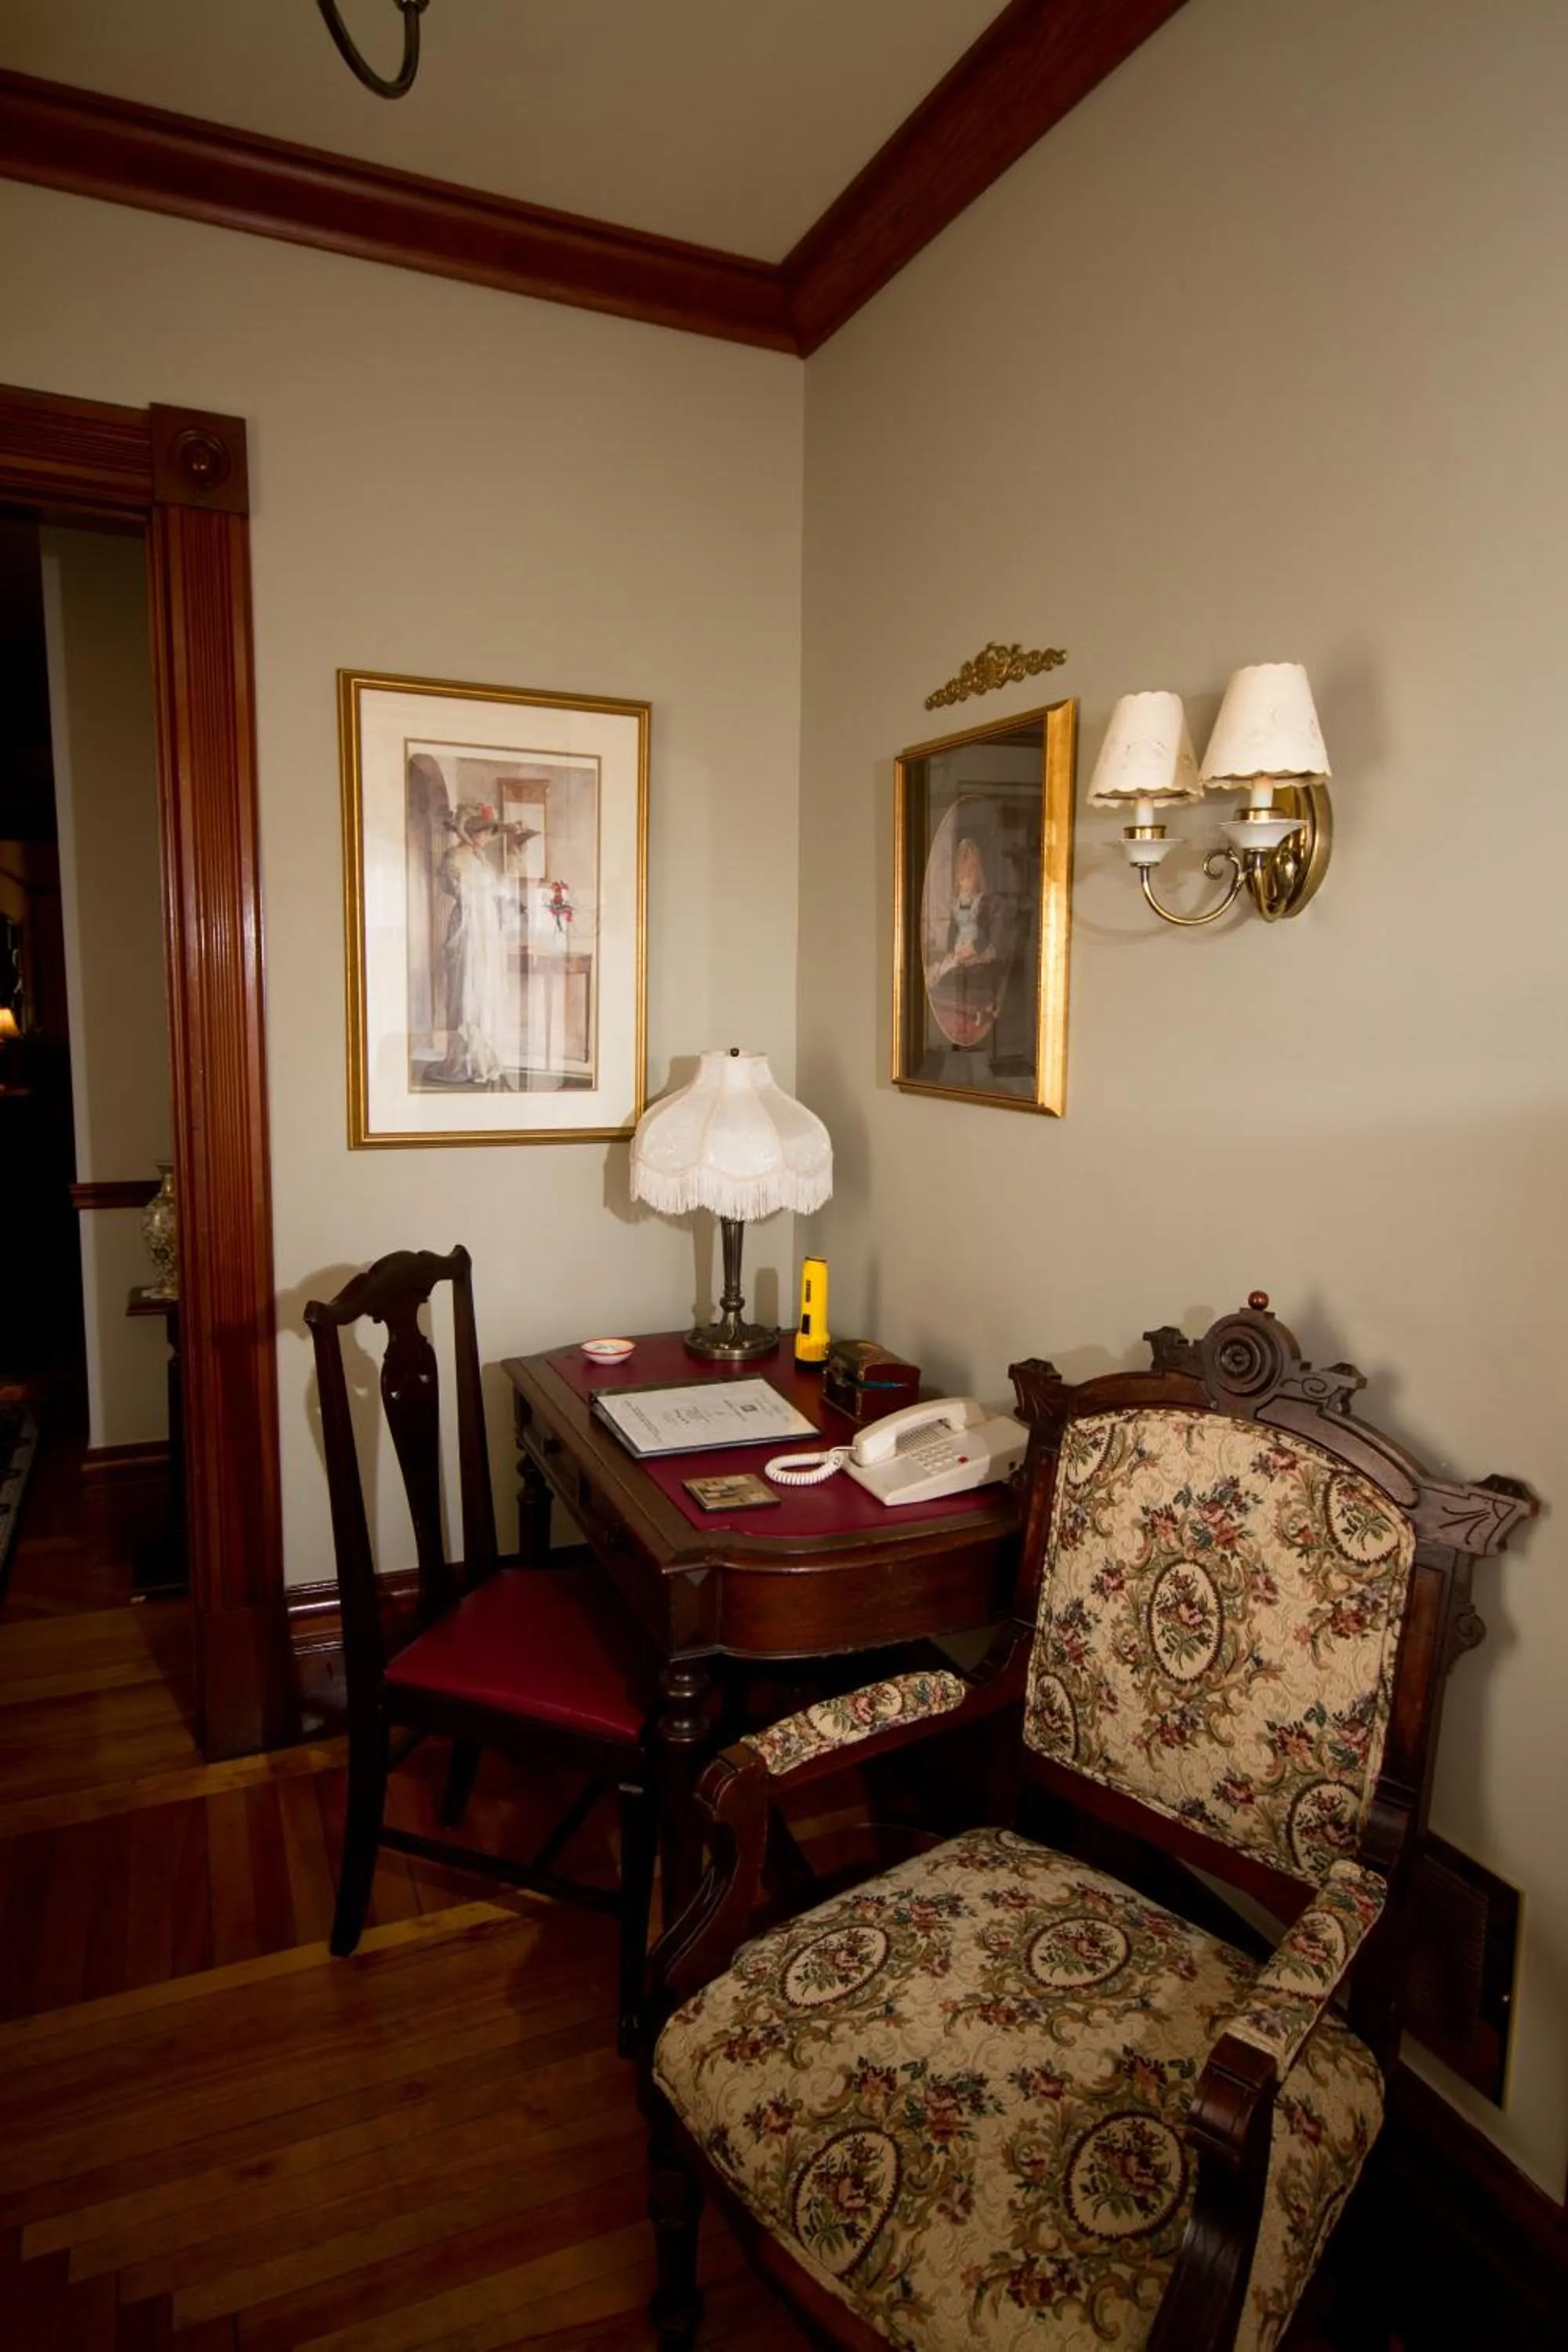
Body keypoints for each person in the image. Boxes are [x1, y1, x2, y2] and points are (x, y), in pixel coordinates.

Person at [426, 801, 536, 1087]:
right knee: (467, 988)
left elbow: (496, 891)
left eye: (490, 833)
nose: (487, 838)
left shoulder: (481, 860)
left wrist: (513, 859)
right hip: (469, 927)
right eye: (484, 832)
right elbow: (456, 889)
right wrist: (483, 890)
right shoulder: (453, 857)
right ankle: (464, 1059)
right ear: (471, 831)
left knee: (485, 988)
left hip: (487, 928)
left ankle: (485, 1056)